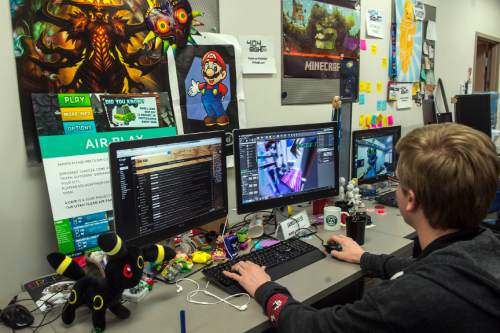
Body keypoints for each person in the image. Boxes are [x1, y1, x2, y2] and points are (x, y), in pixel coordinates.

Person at [224, 123, 500, 332]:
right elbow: (437, 270)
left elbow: (313, 326)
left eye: (398, 180)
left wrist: (265, 288)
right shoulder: (486, 244)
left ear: (411, 199)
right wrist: (364, 258)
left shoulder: (410, 298)